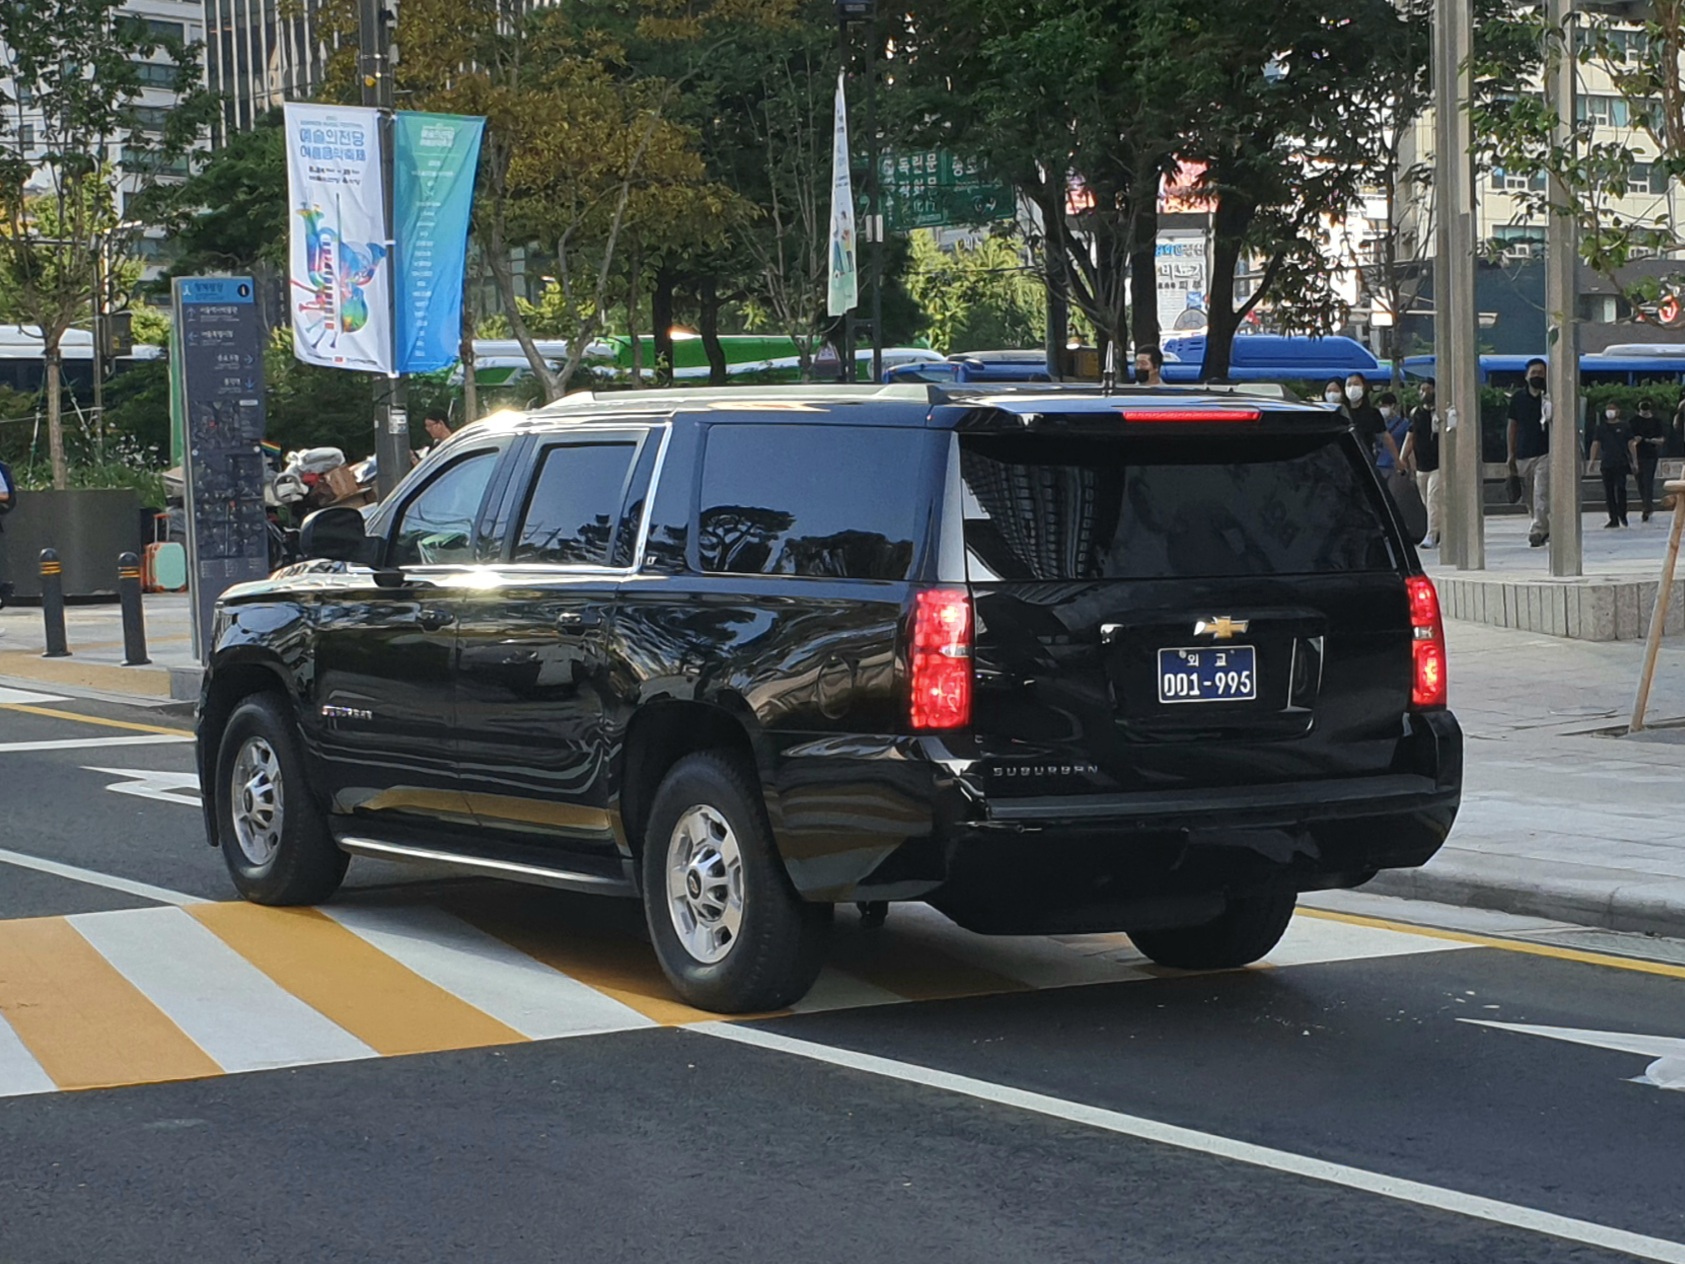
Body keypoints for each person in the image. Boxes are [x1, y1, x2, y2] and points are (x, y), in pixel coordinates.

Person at [1506, 357, 1551, 548]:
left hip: (1546, 452)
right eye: (1534, 373)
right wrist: (1511, 453)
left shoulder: (1551, 397)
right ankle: (1542, 525)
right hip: (1524, 453)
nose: (1537, 376)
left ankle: (1537, 530)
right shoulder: (1518, 398)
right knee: (1530, 496)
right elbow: (1512, 425)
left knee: (1541, 492)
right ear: (1526, 376)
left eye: (1541, 373)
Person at [1400, 380, 1442, 548]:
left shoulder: (1440, 414)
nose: (1425, 392)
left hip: (1439, 466)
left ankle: (1431, 536)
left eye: (1429, 389)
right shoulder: (1416, 413)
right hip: (1422, 466)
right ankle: (1439, 531)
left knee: (1433, 499)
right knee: (1428, 502)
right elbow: (1410, 437)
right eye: (1422, 389)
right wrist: (1403, 458)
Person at [1589, 402, 1637, 528]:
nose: (1610, 412)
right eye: (1608, 409)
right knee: (1609, 492)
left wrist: (1634, 461)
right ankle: (1613, 518)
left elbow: (1631, 443)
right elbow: (1596, 443)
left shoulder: (1625, 426)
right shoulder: (1601, 428)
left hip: (1621, 462)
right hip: (1607, 463)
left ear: (1618, 411)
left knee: (1621, 489)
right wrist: (1592, 461)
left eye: (1613, 409)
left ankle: (1622, 513)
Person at [1340, 374, 1399, 469]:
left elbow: (1386, 437)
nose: (1352, 388)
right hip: (1343, 462)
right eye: (1349, 384)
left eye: (1356, 384)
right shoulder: (1340, 412)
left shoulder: (1373, 413)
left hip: (1366, 461)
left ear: (1364, 387)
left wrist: (1397, 460)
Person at [1632, 397, 1666, 522]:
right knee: (1640, 482)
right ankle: (1645, 503)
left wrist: (1651, 440)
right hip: (1637, 454)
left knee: (1648, 481)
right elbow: (1630, 439)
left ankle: (1647, 506)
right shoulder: (1634, 421)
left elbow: (1662, 439)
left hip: (1650, 454)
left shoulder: (1656, 422)